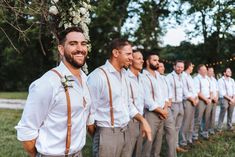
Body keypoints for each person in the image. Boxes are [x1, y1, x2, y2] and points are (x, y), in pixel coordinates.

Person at [15, 26, 95, 157]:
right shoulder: (47, 83)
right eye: (73, 44)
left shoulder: (86, 81)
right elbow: (27, 131)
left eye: (83, 44)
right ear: (61, 49)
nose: (80, 49)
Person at [87, 38, 151, 157]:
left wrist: (143, 120)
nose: (131, 58)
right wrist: (101, 136)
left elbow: (128, 104)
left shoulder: (125, 75)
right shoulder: (98, 76)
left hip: (125, 132)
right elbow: (89, 114)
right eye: (128, 54)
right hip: (107, 133)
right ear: (116, 53)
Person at [141, 52, 167, 157]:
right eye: (154, 60)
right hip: (151, 113)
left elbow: (165, 94)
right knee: (148, 143)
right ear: (147, 62)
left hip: (162, 112)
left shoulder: (159, 76)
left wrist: (165, 109)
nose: (157, 63)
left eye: (158, 60)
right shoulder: (143, 77)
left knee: (158, 143)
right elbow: (147, 100)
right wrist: (161, 111)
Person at [154, 62, 177, 157]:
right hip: (156, 111)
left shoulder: (165, 79)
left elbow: (169, 96)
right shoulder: (153, 79)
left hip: (167, 110)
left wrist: (166, 108)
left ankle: (172, 155)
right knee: (157, 136)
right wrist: (161, 110)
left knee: (172, 132)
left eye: (163, 66)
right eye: (160, 67)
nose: (163, 68)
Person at [127, 49, 145, 157]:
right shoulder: (125, 77)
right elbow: (127, 102)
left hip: (140, 118)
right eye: (139, 58)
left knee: (138, 150)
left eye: (142, 59)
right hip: (129, 120)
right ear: (131, 60)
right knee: (128, 151)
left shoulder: (141, 78)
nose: (142, 61)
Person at [166, 60, 186, 153]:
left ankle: (176, 146)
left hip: (180, 103)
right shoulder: (169, 77)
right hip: (173, 104)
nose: (180, 69)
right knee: (171, 128)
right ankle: (171, 147)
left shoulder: (183, 77)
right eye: (178, 67)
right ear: (174, 67)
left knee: (178, 126)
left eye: (182, 67)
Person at [180, 61, 198, 148]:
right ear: (188, 66)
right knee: (186, 122)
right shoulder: (183, 76)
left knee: (191, 122)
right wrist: (192, 99)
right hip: (187, 101)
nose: (192, 67)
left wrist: (196, 98)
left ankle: (189, 140)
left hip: (193, 101)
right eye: (191, 66)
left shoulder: (190, 77)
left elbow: (194, 90)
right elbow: (185, 91)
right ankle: (183, 142)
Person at [193, 64, 212, 140]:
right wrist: (206, 99)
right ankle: (195, 135)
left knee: (207, 118)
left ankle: (204, 133)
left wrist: (210, 98)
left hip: (208, 99)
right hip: (201, 100)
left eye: (206, 70)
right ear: (199, 71)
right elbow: (197, 92)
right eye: (203, 70)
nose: (205, 71)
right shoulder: (196, 79)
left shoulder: (208, 78)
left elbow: (210, 89)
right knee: (198, 118)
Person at [217, 68, 235, 132]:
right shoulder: (220, 80)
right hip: (224, 98)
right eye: (228, 71)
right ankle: (219, 127)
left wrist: (233, 98)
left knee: (230, 112)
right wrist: (230, 99)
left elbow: (234, 90)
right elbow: (222, 92)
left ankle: (229, 126)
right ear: (224, 73)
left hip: (232, 98)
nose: (230, 72)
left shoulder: (232, 80)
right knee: (223, 110)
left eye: (230, 71)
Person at [207, 67, 219, 134]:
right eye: (210, 71)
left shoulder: (214, 80)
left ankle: (211, 129)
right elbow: (207, 90)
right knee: (207, 115)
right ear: (207, 71)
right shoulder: (206, 79)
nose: (212, 72)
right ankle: (205, 129)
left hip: (215, 99)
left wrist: (216, 97)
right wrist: (212, 98)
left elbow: (217, 89)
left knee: (213, 115)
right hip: (209, 99)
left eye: (213, 71)